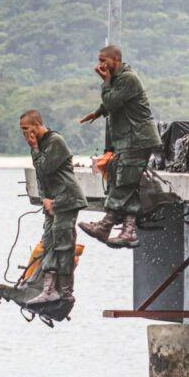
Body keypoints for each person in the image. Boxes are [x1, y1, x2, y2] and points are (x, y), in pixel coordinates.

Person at [78, 46, 161, 249]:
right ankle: (128, 231)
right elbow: (112, 102)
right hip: (128, 140)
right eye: (99, 60)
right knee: (127, 182)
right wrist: (98, 112)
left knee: (124, 184)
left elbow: (112, 100)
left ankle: (106, 224)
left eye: (104, 60)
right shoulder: (118, 80)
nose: (100, 65)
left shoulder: (127, 78)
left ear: (116, 60)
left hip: (138, 139)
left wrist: (105, 81)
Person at [19, 110, 87, 307]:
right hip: (52, 200)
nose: (24, 134)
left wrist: (34, 148)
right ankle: (49, 288)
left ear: (37, 125)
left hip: (67, 198)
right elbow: (41, 177)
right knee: (49, 241)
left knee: (63, 243)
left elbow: (45, 168)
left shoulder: (55, 141)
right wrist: (44, 200)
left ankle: (64, 292)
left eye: (26, 128)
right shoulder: (39, 145)